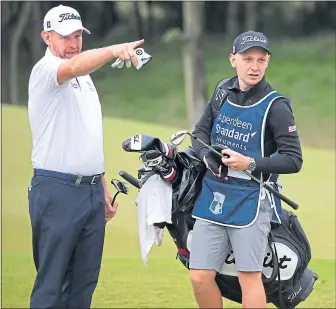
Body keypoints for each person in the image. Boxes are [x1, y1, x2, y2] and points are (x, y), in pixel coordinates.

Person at [27, 4, 144, 308]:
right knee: (51, 286)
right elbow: (75, 66)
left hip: (90, 191)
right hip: (56, 190)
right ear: (46, 37)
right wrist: (114, 50)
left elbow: (86, 132)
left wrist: (102, 182)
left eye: (78, 35)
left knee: (83, 286)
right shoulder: (47, 70)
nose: (74, 43)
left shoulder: (85, 78)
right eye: (65, 36)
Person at [189, 30, 303, 308]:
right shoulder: (222, 92)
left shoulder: (276, 106)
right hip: (213, 196)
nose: (254, 66)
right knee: (200, 276)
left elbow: (294, 159)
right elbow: (199, 134)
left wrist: (249, 163)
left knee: (248, 277)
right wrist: (207, 156)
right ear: (233, 60)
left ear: (267, 62)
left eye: (261, 60)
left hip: (252, 201)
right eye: (247, 59)